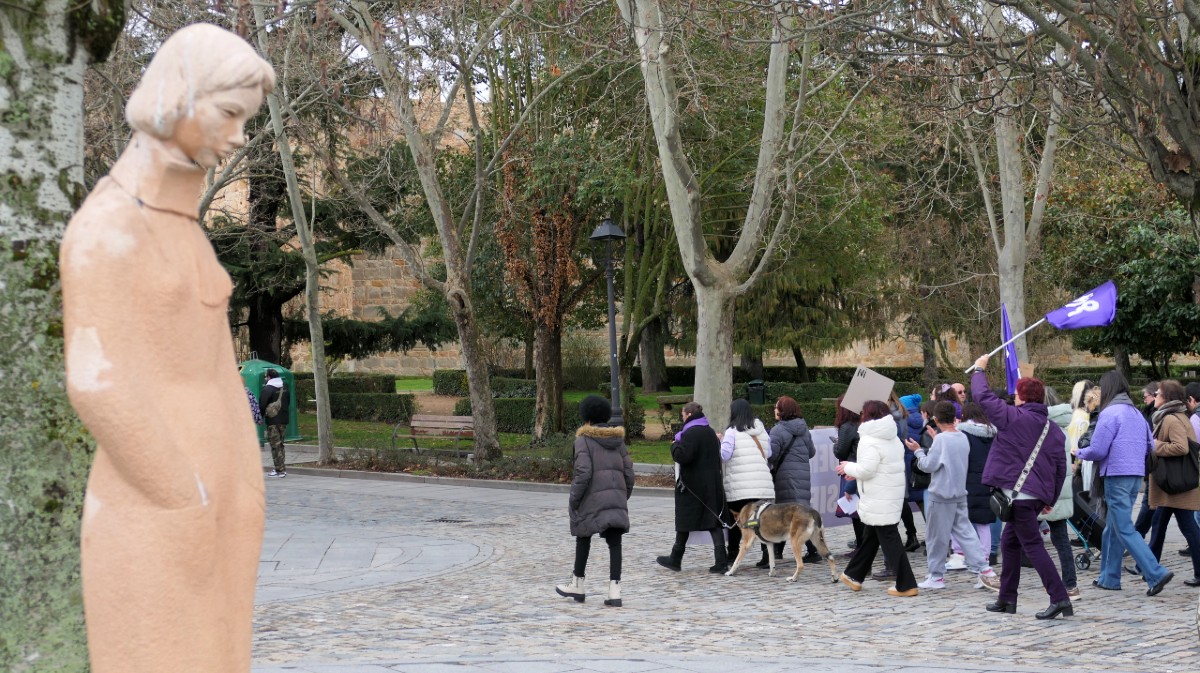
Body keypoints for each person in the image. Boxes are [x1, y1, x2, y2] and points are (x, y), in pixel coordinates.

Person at [60, 23, 275, 673]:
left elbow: (217, 370)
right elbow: (96, 380)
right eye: (230, 113)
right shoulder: (108, 224)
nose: (239, 136)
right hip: (153, 506)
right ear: (178, 96)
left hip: (220, 503)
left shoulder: (187, 232)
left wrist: (245, 491)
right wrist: (183, 496)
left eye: (247, 119)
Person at [970, 355, 1071, 619]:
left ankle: (1060, 597)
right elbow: (1061, 468)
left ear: (1022, 397)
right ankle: (1007, 598)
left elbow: (983, 397)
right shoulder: (1055, 431)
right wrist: (1050, 498)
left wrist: (980, 369)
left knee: (1034, 547)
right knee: (1009, 544)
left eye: (1016, 394)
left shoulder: (1013, 417)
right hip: (1034, 496)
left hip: (1019, 497)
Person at [1074, 370, 1173, 596]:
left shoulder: (1109, 414)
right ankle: (1109, 577)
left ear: (1107, 388)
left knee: (1123, 527)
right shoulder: (1137, 413)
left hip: (1116, 475)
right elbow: (1151, 446)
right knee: (1113, 527)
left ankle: (1155, 572)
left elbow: (1098, 449)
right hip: (1136, 475)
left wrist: (1079, 451)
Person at [907, 401, 999, 590]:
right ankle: (984, 569)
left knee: (936, 537)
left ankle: (936, 576)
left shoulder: (942, 440)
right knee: (966, 533)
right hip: (959, 492)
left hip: (940, 494)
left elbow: (928, 465)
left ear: (936, 419)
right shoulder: (961, 436)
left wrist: (918, 451)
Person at [555, 396, 635, 607]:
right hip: (615, 498)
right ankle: (614, 591)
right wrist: (621, 495)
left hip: (591, 499)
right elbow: (629, 473)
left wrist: (574, 499)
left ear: (586, 418)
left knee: (583, 536)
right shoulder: (619, 442)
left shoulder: (583, 441)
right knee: (615, 543)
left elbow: (583, 473)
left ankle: (578, 583)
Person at [835, 400, 919, 597]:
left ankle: (906, 584)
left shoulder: (868, 439)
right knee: (871, 537)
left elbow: (867, 469)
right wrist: (855, 471)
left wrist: (848, 467)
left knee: (889, 539)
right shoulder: (892, 437)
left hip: (878, 496)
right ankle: (853, 574)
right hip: (889, 494)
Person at [658, 402, 728, 573]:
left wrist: (674, 444)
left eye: (683, 414)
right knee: (713, 521)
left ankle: (676, 558)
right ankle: (721, 560)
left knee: (685, 521)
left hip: (692, 486)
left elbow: (683, 456)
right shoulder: (709, 431)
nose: (682, 417)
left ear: (688, 415)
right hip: (711, 483)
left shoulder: (690, 433)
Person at [1144, 380, 1200, 587]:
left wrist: (1157, 446)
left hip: (1175, 485)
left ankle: (1150, 568)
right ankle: (1149, 567)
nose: (1154, 397)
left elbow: (1181, 447)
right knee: (1160, 525)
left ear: (1166, 398)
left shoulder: (1172, 419)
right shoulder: (1175, 416)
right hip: (1172, 485)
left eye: (1157, 394)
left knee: (1188, 528)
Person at [763, 395, 819, 567]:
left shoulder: (777, 431)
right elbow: (811, 452)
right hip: (802, 476)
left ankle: (812, 550)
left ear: (782, 411)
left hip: (784, 477)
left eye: (776, 407)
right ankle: (784, 550)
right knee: (796, 511)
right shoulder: (804, 429)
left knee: (786, 512)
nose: (774, 410)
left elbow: (772, 454)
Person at [1038, 387, 1081, 600]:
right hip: (1060, 489)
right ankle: (1070, 584)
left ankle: (1008, 584)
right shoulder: (1063, 428)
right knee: (1061, 539)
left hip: (1043, 490)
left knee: (1017, 538)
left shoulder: (1042, 428)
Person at [720, 399, 775, 564]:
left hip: (740, 486)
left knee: (737, 521)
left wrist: (720, 441)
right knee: (762, 521)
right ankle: (767, 555)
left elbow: (724, 455)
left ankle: (732, 554)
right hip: (763, 486)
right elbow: (769, 453)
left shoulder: (731, 432)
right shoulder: (761, 430)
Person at [959, 402, 1000, 573]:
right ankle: (985, 556)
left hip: (969, 479)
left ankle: (963, 555)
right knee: (985, 522)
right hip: (990, 479)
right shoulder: (994, 433)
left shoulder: (963, 433)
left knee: (964, 521)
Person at [833, 395, 864, 553]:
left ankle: (861, 546)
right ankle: (863, 545)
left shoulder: (847, 427)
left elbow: (840, 451)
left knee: (855, 511)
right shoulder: (861, 424)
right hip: (861, 469)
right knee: (861, 511)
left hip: (851, 470)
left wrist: (835, 444)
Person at [260, 369, 290, 478]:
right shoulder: (285, 386)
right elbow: (288, 401)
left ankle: (280, 470)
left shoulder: (267, 389)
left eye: (265, 376)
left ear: (268, 377)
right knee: (280, 444)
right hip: (284, 419)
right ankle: (281, 468)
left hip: (272, 421)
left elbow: (262, 405)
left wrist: (261, 417)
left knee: (275, 445)